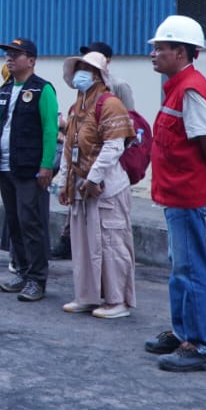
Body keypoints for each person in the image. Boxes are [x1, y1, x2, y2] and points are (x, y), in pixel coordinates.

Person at [143, 15, 206, 372]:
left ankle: (200, 347)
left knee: (191, 269)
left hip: (186, 194)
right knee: (179, 267)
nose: (153, 53)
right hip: (175, 193)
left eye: (160, 48)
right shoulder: (177, 86)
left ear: (180, 52)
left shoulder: (191, 89)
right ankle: (182, 331)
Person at [54, 51, 137, 319]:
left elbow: (114, 147)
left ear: (99, 75)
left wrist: (93, 178)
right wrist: (63, 183)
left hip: (107, 188)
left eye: (86, 69)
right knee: (83, 245)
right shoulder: (76, 108)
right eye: (78, 68)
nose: (80, 74)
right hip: (81, 188)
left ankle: (117, 301)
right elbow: (69, 148)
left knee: (112, 244)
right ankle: (86, 296)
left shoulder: (110, 104)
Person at [0, 37, 58, 302]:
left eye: (16, 54)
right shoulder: (6, 89)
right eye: (8, 54)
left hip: (29, 169)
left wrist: (46, 166)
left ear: (31, 60)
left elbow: (50, 129)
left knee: (32, 224)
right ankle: (22, 271)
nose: (10, 58)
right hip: (5, 168)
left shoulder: (43, 90)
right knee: (14, 223)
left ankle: (37, 279)